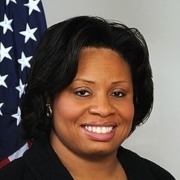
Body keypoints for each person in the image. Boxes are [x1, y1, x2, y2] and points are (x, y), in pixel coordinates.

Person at [0, 16, 175, 180]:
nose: (104, 109)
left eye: (118, 93)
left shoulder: (157, 177)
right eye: (83, 92)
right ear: (48, 99)